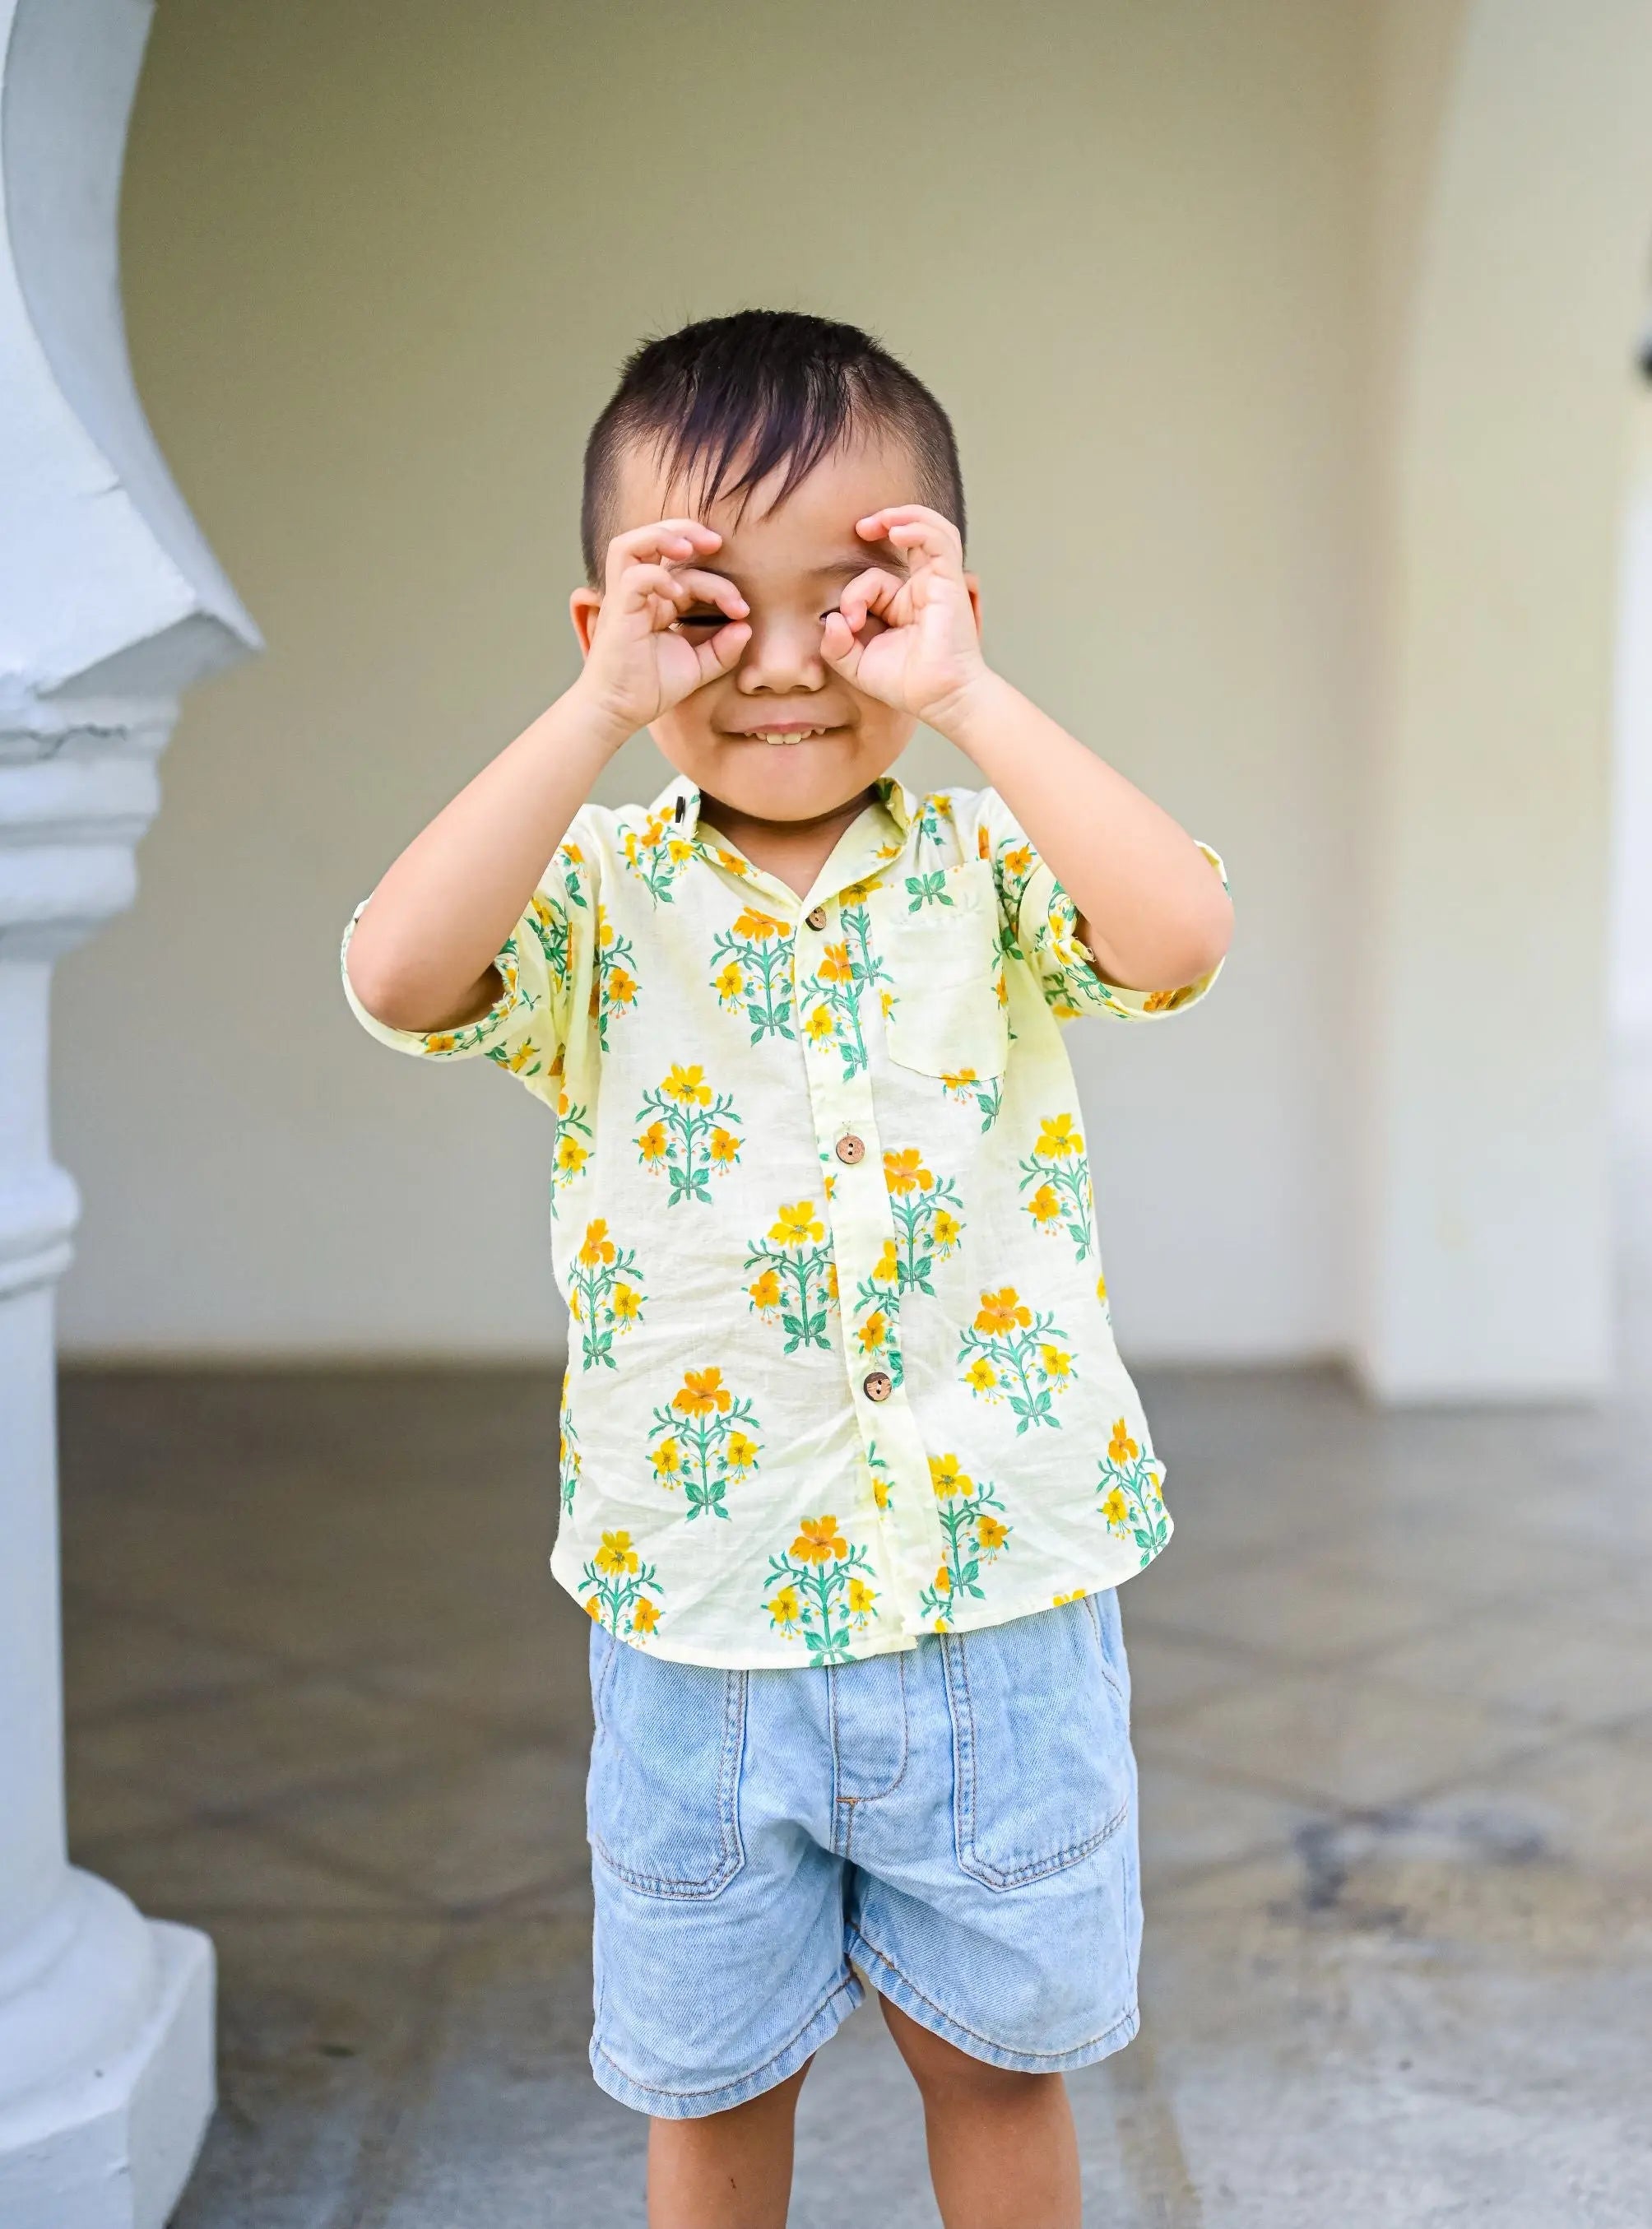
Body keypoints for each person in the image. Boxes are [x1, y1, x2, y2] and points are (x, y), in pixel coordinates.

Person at [341, 309, 1232, 2229]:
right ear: (606, 624)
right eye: (707, 608)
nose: (783, 666)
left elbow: (1175, 933)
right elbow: (397, 973)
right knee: (709, 2079)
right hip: (699, 1618)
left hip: (995, 1595)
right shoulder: (589, 900)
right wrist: (591, 720)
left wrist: (976, 697)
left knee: (994, 2060)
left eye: (844, 599)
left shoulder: (989, 872)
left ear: (937, 604)